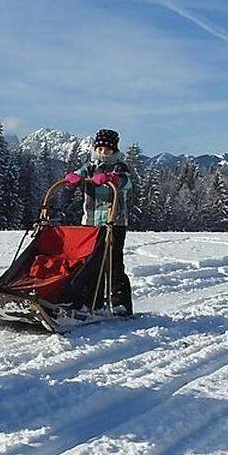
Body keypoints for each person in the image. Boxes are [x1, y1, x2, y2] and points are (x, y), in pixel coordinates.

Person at [64, 128, 134, 315]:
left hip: (114, 223)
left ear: (114, 151)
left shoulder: (119, 167)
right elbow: (78, 174)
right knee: (90, 264)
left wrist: (112, 178)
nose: (104, 153)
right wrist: (73, 178)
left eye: (108, 150)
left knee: (113, 264)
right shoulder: (90, 166)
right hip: (91, 224)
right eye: (101, 149)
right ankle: (92, 303)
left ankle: (120, 304)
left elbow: (126, 182)